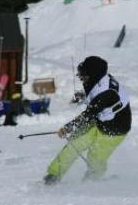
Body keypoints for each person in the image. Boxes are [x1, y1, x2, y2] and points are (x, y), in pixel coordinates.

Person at [43, 56, 131, 185]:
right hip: (100, 119)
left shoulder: (105, 93)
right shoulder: (100, 80)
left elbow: (88, 114)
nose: (82, 78)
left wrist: (68, 127)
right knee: (74, 144)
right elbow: (95, 100)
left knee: (95, 156)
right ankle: (53, 175)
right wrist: (84, 96)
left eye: (85, 75)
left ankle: (93, 180)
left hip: (115, 127)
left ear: (93, 75)